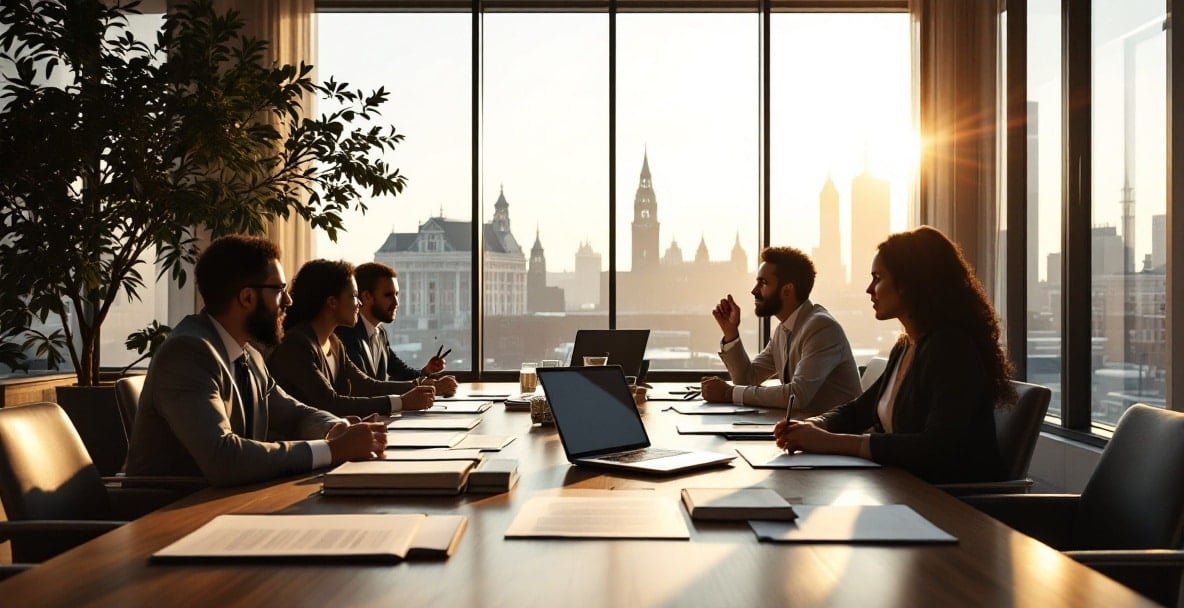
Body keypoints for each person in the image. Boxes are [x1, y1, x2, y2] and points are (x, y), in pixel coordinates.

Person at [125, 235, 387, 487]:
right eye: (279, 290)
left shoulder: (248, 355)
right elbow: (223, 457)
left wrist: (334, 427)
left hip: (227, 504)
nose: (288, 301)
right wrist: (331, 450)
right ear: (247, 297)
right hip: (170, 515)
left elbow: (293, 413)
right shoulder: (189, 352)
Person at [773, 226, 1014, 484]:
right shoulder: (907, 345)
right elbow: (859, 410)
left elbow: (937, 447)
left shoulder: (950, 348)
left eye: (877, 278)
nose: (869, 289)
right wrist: (815, 425)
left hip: (948, 505)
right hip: (902, 486)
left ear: (909, 284)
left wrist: (830, 442)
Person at [267, 259, 438, 418]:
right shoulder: (297, 345)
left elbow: (367, 386)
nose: (359, 303)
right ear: (332, 302)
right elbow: (331, 403)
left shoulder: (334, 343)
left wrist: (423, 385)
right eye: (354, 296)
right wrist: (402, 402)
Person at [703, 246, 862, 417]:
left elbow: (797, 395)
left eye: (763, 283)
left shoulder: (821, 328)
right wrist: (731, 333)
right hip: (806, 431)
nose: (754, 290)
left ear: (787, 291)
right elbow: (746, 380)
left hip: (837, 436)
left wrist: (729, 393)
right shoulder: (783, 330)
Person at [335, 261, 458, 396]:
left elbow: (400, 372)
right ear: (367, 297)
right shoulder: (345, 334)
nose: (396, 303)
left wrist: (426, 372)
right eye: (388, 295)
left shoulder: (380, 333)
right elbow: (366, 387)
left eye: (397, 294)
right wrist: (432, 386)